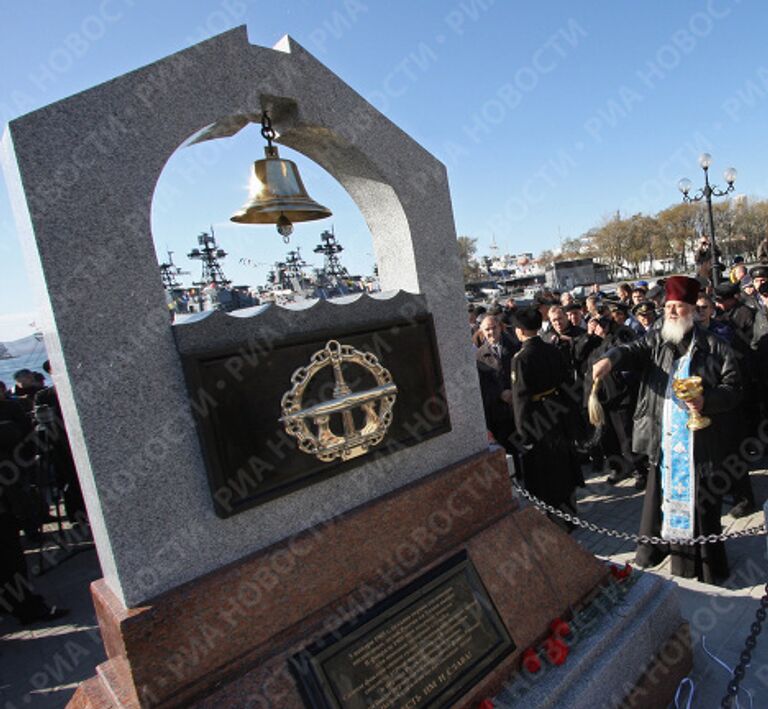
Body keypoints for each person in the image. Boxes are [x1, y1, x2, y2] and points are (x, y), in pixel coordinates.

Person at [592, 276, 741, 583]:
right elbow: (632, 349)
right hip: (665, 440)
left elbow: (734, 388)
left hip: (700, 443)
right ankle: (668, 558)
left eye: (679, 307)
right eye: (669, 306)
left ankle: (707, 569)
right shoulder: (657, 338)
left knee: (701, 509)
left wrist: (706, 401)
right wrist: (610, 359)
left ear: (693, 310)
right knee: (661, 502)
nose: (672, 312)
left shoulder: (715, 347)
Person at [509, 307, 584, 527]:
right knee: (563, 464)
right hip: (558, 411)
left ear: (521, 331)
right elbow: (568, 383)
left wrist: (523, 433)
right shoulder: (552, 349)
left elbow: (521, 399)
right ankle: (570, 512)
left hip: (537, 419)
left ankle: (557, 519)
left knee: (546, 470)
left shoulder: (521, 359)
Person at [475, 315, 519, 453]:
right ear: (482, 331)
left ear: (500, 327)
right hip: (498, 413)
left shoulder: (516, 346)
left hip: (519, 407)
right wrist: (500, 394)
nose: (491, 332)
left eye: (494, 327)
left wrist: (514, 391)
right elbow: (482, 386)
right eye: (487, 329)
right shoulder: (479, 356)